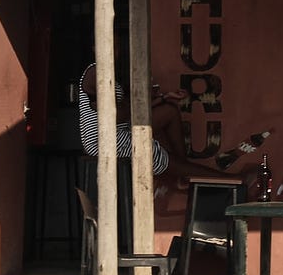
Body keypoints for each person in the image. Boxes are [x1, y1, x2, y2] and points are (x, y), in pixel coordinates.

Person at [78, 57, 236, 186]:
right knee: (152, 152)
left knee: (169, 111)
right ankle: (230, 179)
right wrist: (149, 98)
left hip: (120, 130)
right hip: (104, 142)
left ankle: (183, 171)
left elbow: (130, 111)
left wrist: (163, 98)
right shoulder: (96, 70)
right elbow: (118, 114)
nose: (115, 50)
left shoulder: (109, 74)